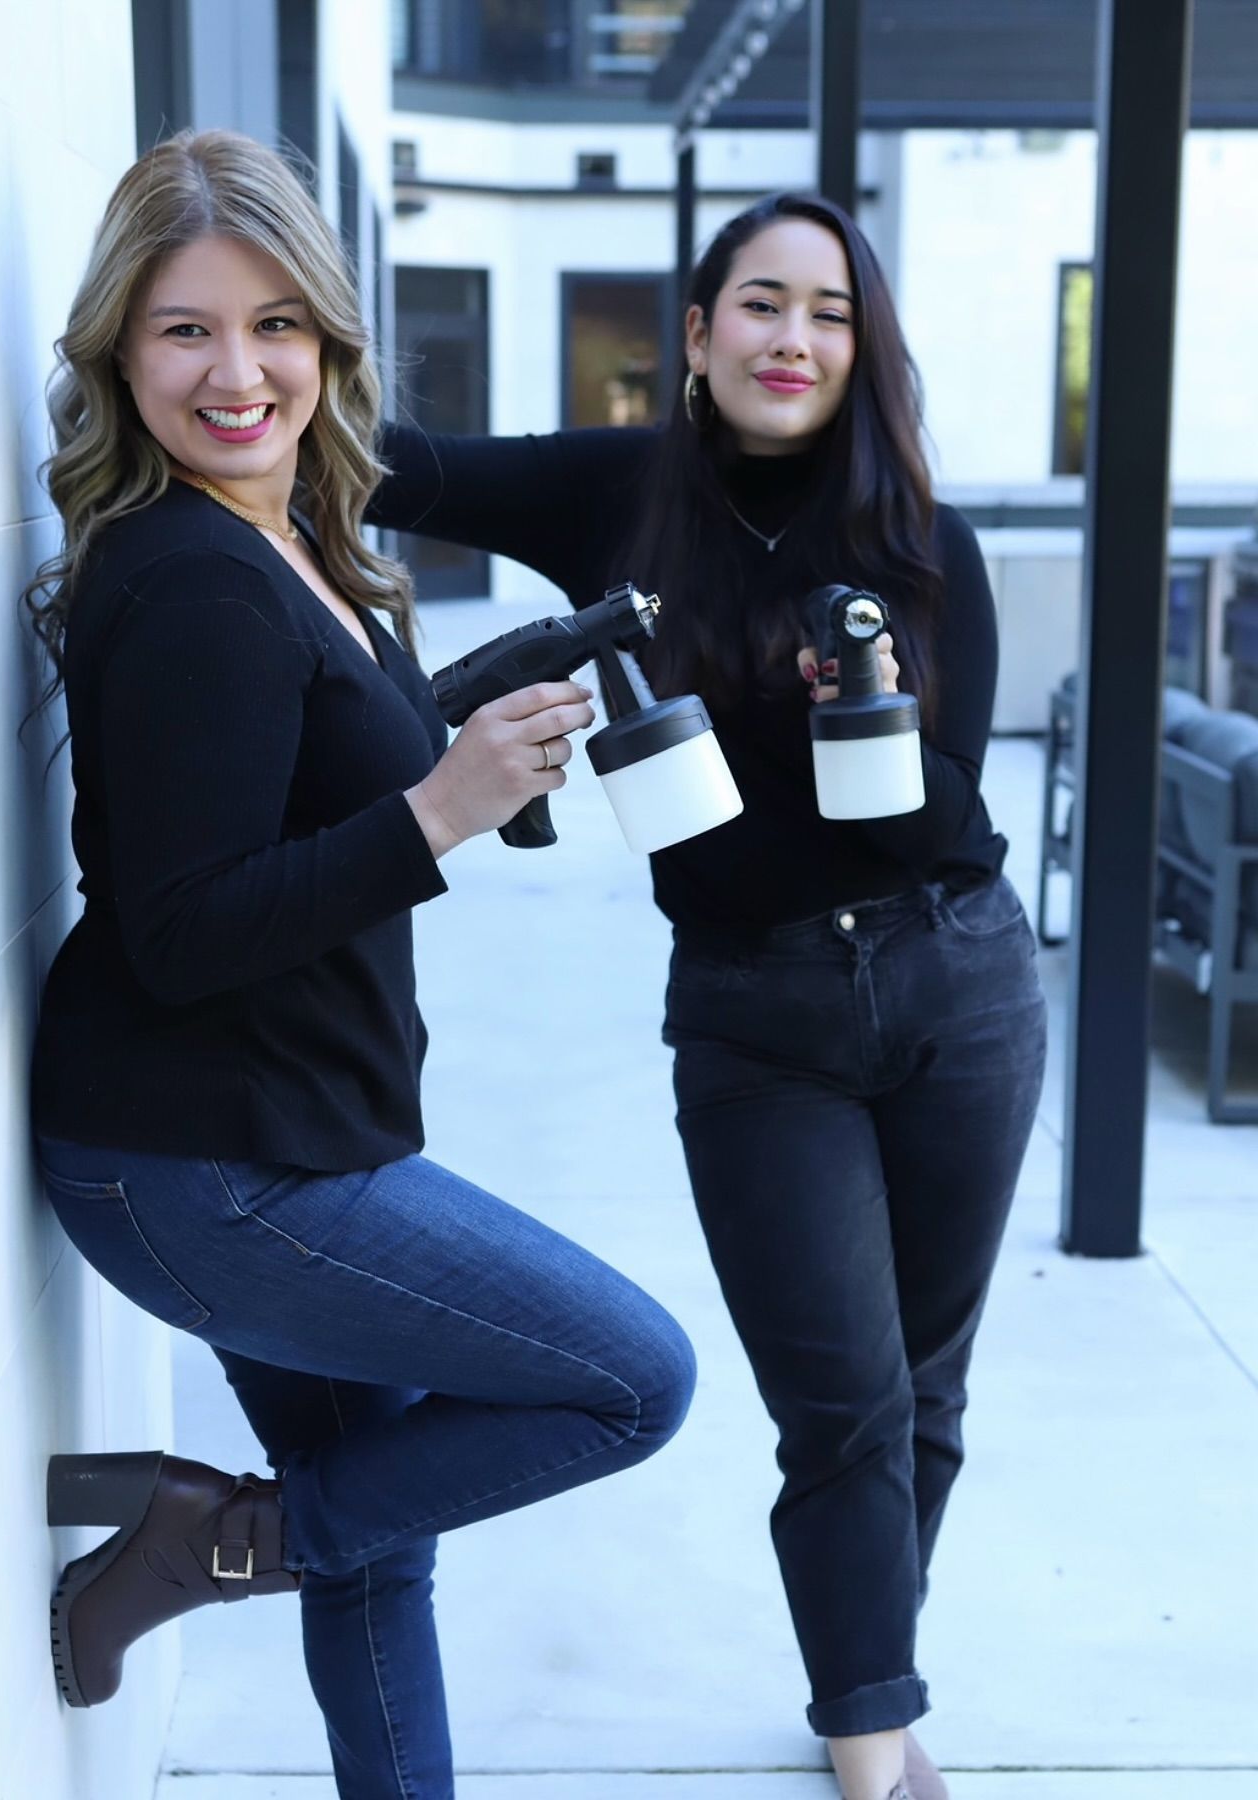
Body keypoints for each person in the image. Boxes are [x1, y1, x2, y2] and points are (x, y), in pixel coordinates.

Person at [25, 128, 696, 1800]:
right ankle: (220, 1538)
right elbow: (179, 931)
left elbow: (309, 764)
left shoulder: (297, 538)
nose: (237, 371)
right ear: (120, 347)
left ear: (329, 341)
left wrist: (459, 729)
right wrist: (444, 812)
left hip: (284, 1127)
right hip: (211, 1166)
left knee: (387, 1534)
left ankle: (256, 1546)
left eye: (277, 327)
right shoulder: (194, 578)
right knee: (634, 1379)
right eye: (184, 328)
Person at [367, 193, 1047, 1800]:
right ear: (694, 333)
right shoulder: (619, 498)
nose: (790, 338)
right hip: (755, 1019)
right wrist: (244, 332)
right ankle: (874, 1734)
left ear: (863, 346)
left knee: (921, 1392)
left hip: (958, 977)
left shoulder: (923, 542)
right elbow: (395, 461)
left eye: (827, 312)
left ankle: (866, 1685)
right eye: (758, 302)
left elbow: (961, 817)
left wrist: (854, 717)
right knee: (841, 1396)